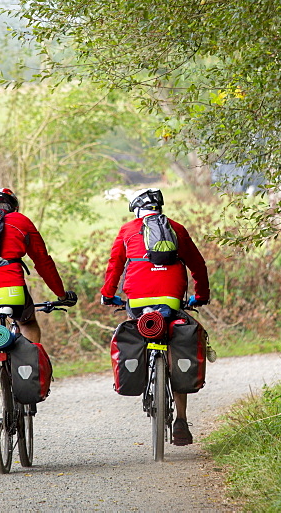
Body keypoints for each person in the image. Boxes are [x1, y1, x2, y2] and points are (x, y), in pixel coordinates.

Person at [0, 187, 77, 456]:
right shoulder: (21, 222)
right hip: (13, 291)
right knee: (28, 324)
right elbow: (42, 261)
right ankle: (30, 375)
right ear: (13, 206)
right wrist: (60, 294)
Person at [99, 187, 210, 446]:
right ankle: (180, 420)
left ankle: (145, 372)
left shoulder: (128, 230)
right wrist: (200, 296)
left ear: (136, 209)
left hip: (138, 302)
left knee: (140, 329)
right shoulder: (177, 229)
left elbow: (115, 266)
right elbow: (198, 266)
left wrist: (107, 294)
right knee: (177, 344)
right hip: (171, 300)